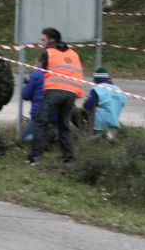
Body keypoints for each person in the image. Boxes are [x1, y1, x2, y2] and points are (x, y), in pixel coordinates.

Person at [27, 27, 84, 165]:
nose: (42, 43)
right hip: (71, 93)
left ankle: (36, 157)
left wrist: (30, 79)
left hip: (54, 91)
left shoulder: (49, 52)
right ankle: (69, 159)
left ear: (51, 40)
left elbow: (41, 73)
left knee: (40, 123)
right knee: (64, 126)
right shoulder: (73, 53)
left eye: (43, 40)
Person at [21, 56, 58, 144]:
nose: (34, 66)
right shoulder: (57, 74)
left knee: (26, 138)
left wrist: (26, 86)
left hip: (39, 115)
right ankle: (55, 133)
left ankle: (44, 139)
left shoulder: (36, 74)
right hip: (55, 115)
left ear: (40, 63)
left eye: (35, 63)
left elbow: (25, 95)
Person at [83, 68, 127, 139]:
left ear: (96, 79)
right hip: (114, 122)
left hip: (99, 123)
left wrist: (86, 101)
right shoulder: (118, 89)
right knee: (108, 141)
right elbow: (123, 103)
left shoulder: (97, 89)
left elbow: (87, 106)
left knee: (79, 113)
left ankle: (86, 136)